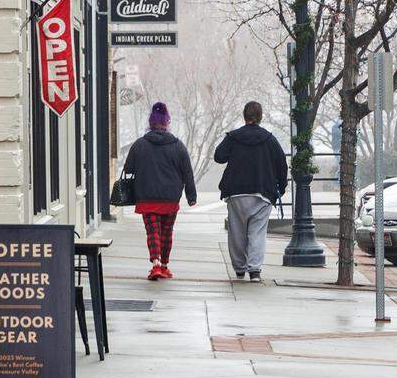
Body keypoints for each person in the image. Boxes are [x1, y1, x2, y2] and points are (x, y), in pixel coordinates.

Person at [214, 101, 288, 283]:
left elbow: (219, 156)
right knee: (257, 232)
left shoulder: (234, 137)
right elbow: (281, 164)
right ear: (260, 116)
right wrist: (282, 187)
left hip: (236, 191)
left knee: (237, 231)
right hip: (262, 192)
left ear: (244, 116)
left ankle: (239, 268)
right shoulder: (269, 139)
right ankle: (254, 270)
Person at [122, 102, 197, 281]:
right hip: (170, 198)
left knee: (153, 231)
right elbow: (187, 172)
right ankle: (164, 266)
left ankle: (155, 264)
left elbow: (128, 169)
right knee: (167, 232)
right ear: (167, 122)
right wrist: (191, 196)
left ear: (150, 122)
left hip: (146, 197)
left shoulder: (139, 145)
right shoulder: (178, 146)